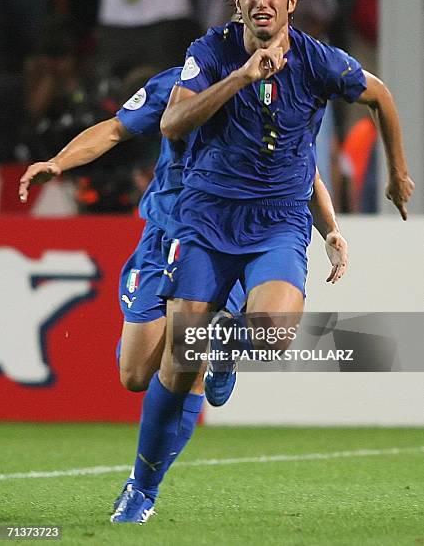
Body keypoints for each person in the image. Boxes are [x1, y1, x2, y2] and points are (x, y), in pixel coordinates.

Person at [111, 0, 413, 524]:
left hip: (276, 224)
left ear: (292, 1)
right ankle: (141, 488)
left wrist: (397, 173)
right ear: (238, 3)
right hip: (205, 221)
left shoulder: (318, 60)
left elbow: (381, 96)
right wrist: (244, 76)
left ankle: (224, 359)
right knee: (175, 363)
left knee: (271, 337)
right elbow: (173, 122)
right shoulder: (211, 53)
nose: (262, 1)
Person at [19, 60, 348, 523]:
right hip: (163, 234)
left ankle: (143, 488)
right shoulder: (180, 85)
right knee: (135, 374)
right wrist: (57, 162)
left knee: (186, 359)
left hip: (219, 239)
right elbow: (116, 129)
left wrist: (330, 229)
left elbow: (303, 170)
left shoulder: (274, 91)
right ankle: (211, 351)